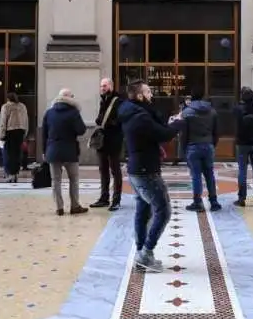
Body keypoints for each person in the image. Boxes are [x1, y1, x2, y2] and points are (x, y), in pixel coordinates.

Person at [118, 80, 180, 272]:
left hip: (137, 168)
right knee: (163, 211)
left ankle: (141, 253)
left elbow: (152, 133)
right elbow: (163, 134)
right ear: (139, 95)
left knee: (143, 210)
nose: (151, 94)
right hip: (146, 170)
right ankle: (145, 252)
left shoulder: (132, 112)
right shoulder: (140, 117)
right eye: (148, 91)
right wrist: (178, 123)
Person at [43, 88, 88, 216]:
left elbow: (44, 134)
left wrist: (44, 151)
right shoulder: (73, 112)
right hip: (70, 151)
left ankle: (59, 208)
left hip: (53, 151)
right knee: (73, 179)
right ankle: (74, 206)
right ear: (69, 97)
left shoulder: (49, 113)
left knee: (55, 181)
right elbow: (81, 130)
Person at [181, 90, 221, 212]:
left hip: (193, 146)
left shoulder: (187, 112)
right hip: (208, 145)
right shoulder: (212, 111)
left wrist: (184, 149)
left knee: (196, 175)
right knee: (210, 174)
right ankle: (214, 202)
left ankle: (197, 202)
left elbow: (184, 134)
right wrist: (212, 144)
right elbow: (216, 132)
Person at [91, 78, 124, 211]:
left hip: (114, 140)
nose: (102, 88)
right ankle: (104, 198)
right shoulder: (103, 100)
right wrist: (100, 120)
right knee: (103, 170)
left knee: (115, 170)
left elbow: (120, 120)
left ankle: (116, 199)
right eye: (101, 86)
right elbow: (100, 118)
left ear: (111, 85)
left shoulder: (118, 101)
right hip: (103, 142)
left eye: (105, 85)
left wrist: (110, 123)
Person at [233, 86, 253, 207]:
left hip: (242, 143)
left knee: (242, 171)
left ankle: (241, 198)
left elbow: (233, 111)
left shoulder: (238, 108)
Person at [0, 92, 29, 183]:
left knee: (9, 154)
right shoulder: (22, 106)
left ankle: (10, 174)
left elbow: (3, 122)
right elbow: (26, 120)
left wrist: (1, 135)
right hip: (20, 131)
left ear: (8, 98)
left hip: (9, 132)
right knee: (17, 153)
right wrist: (25, 132)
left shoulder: (6, 107)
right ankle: (16, 173)